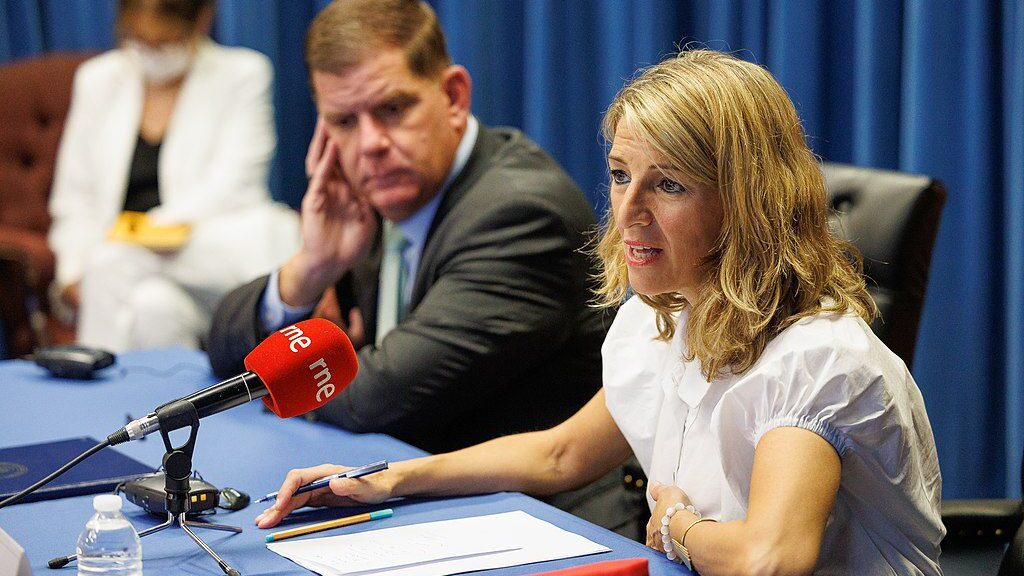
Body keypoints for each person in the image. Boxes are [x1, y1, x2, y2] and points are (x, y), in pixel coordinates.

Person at [254, 49, 945, 575]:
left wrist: (675, 525)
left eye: (668, 183)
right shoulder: (660, 317)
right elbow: (560, 453)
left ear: (747, 200)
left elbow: (770, 560)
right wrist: (384, 479)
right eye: (620, 175)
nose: (629, 210)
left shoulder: (817, 359)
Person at [206, 0, 606, 458]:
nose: (371, 144)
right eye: (344, 122)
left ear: (454, 97)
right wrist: (311, 268)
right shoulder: (373, 198)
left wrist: (291, 379)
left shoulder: (522, 214)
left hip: (539, 513)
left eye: (393, 109)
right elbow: (220, 343)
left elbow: (376, 398)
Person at [48, 0, 298, 351]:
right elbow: (74, 197)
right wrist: (74, 269)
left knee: (109, 261)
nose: (150, 52)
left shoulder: (243, 73)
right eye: (138, 40)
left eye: (163, 42)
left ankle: (90, 389)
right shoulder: (98, 79)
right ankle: (163, 406)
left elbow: (234, 187)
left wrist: (140, 235)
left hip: (209, 246)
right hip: (132, 271)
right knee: (155, 310)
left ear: (201, 21)